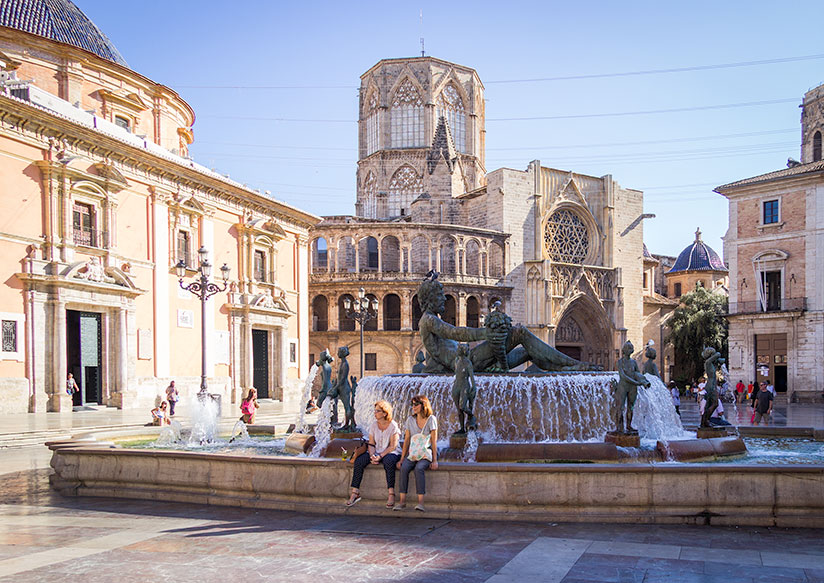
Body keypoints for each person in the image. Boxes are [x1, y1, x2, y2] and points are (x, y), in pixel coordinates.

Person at [345, 400, 402, 508]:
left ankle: (391, 493)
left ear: (385, 413)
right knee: (360, 461)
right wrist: (372, 456)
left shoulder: (393, 425)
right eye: (375, 411)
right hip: (375, 451)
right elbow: (371, 444)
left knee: (389, 462)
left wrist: (380, 456)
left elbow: (392, 446)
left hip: (391, 452)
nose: (375, 413)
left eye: (377, 411)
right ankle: (355, 492)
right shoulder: (374, 425)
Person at [395, 395, 438, 512]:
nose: (413, 407)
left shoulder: (431, 419)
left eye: (416, 404)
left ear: (423, 405)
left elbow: (434, 441)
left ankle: (421, 503)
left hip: (425, 454)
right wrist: (402, 458)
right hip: (413, 453)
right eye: (412, 404)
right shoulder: (410, 420)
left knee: (419, 469)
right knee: (404, 468)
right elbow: (407, 440)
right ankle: (402, 502)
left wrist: (434, 460)